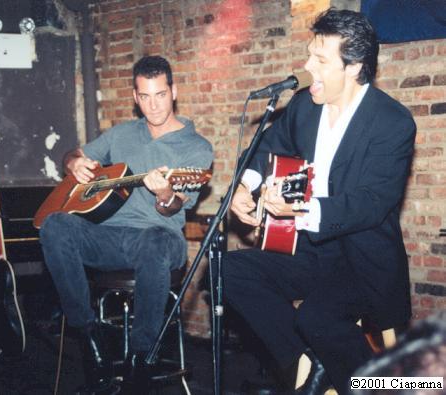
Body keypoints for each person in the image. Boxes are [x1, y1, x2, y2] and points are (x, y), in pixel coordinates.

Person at [223, 8, 416, 395]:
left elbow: (371, 202)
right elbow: (268, 146)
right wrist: (245, 185)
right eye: (309, 55)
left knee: (317, 318)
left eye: (320, 60)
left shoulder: (393, 122)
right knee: (227, 269)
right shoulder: (303, 106)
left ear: (354, 66)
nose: (307, 66)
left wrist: (301, 210)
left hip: (363, 261)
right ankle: (304, 366)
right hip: (309, 251)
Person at [39, 55, 213, 395]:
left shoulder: (196, 148)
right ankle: (90, 338)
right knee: (54, 225)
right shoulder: (121, 134)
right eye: (145, 97)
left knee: (153, 241)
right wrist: (75, 162)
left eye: (160, 95)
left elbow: (173, 209)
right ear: (135, 97)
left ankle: (140, 359)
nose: (153, 105)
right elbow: (72, 154)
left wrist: (165, 194)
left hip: (161, 238)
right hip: (109, 238)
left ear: (173, 91)